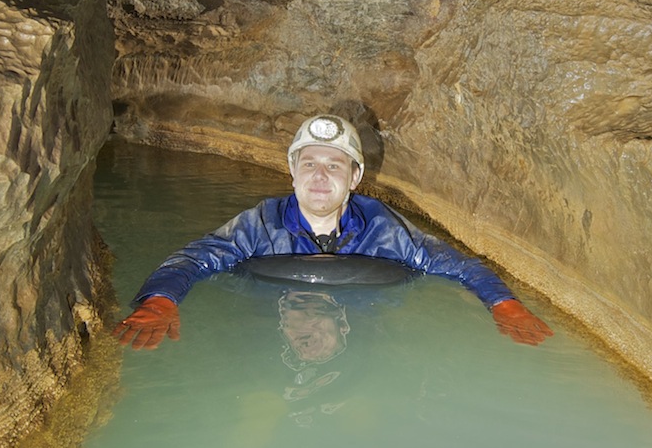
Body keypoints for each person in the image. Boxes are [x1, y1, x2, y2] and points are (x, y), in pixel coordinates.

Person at [113, 114, 554, 349]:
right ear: (292, 173)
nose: (320, 176)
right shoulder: (261, 224)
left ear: (354, 177)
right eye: (309, 164)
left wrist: (505, 304)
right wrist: (160, 300)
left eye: (333, 165)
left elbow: (455, 264)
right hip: (256, 311)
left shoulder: (383, 229)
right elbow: (194, 258)